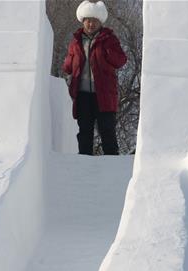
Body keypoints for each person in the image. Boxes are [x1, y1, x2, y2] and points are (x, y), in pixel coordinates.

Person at [62, 0, 128, 155]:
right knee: (84, 132)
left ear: (100, 22)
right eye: (88, 21)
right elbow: (68, 66)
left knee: (107, 131)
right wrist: (68, 63)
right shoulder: (76, 41)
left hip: (104, 94)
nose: (91, 24)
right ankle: (84, 167)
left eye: (94, 21)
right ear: (83, 21)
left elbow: (121, 60)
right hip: (83, 95)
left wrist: (108, 52)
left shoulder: (109, 39)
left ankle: (112, 165)